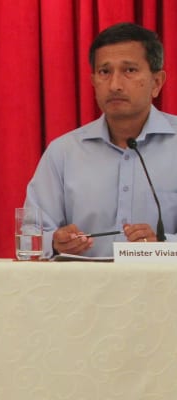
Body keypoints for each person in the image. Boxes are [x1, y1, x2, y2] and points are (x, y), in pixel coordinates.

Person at [25, 22, 175, 258]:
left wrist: (164, 245)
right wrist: (54, 243)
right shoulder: (64, 152)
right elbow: (27, 239)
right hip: (80, 292)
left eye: (130, 70)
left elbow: (164, 246)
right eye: (105, 72)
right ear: (94, 81)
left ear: (157, 83)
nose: (115, 85)